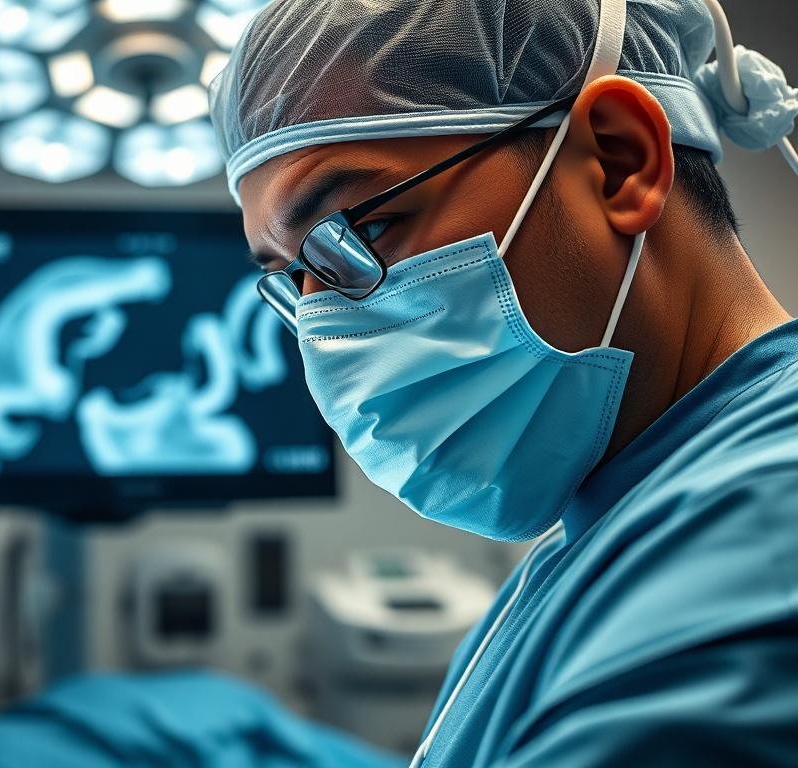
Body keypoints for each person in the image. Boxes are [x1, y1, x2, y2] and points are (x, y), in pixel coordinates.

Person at [206, 0, 798, 765]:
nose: (323, 335)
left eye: (365, 228)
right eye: (294, 281)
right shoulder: (610, 522)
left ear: (620, 160)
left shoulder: (763, 525)